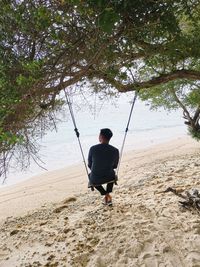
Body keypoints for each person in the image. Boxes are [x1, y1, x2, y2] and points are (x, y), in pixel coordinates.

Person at [88, 128, 119, 206]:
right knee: (112, 173)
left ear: (101, 136)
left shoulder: (93, 149)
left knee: (91, 178)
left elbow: (89, 165)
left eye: (99, 135)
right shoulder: (115, 150)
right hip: (109, 177)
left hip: (96, 179)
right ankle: (108, 195)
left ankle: (105, 194)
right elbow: (115, 166)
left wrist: (97, 168)